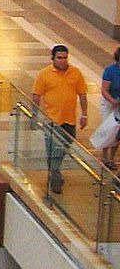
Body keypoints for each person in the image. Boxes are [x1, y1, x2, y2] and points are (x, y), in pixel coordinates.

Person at [32, 43, 88, 194]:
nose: (63, 61)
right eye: (59, 58)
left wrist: (84, 114)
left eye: (65, 58)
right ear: (53, 59)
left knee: (65, 146)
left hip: (69, 120)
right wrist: (34, 115)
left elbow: (82, 94)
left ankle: (54, 171)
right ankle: (55, 177)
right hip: (52, 121)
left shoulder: (76, 73)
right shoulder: (44, 74)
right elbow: (36, 95)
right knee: (53, 149)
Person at [101, 47, 120, 168]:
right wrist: (113, 101)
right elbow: (104, 90)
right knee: (109, 129)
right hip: (109, 102)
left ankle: (112, 159)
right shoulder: (110, 70)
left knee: (118, 132)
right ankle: (104, 156)